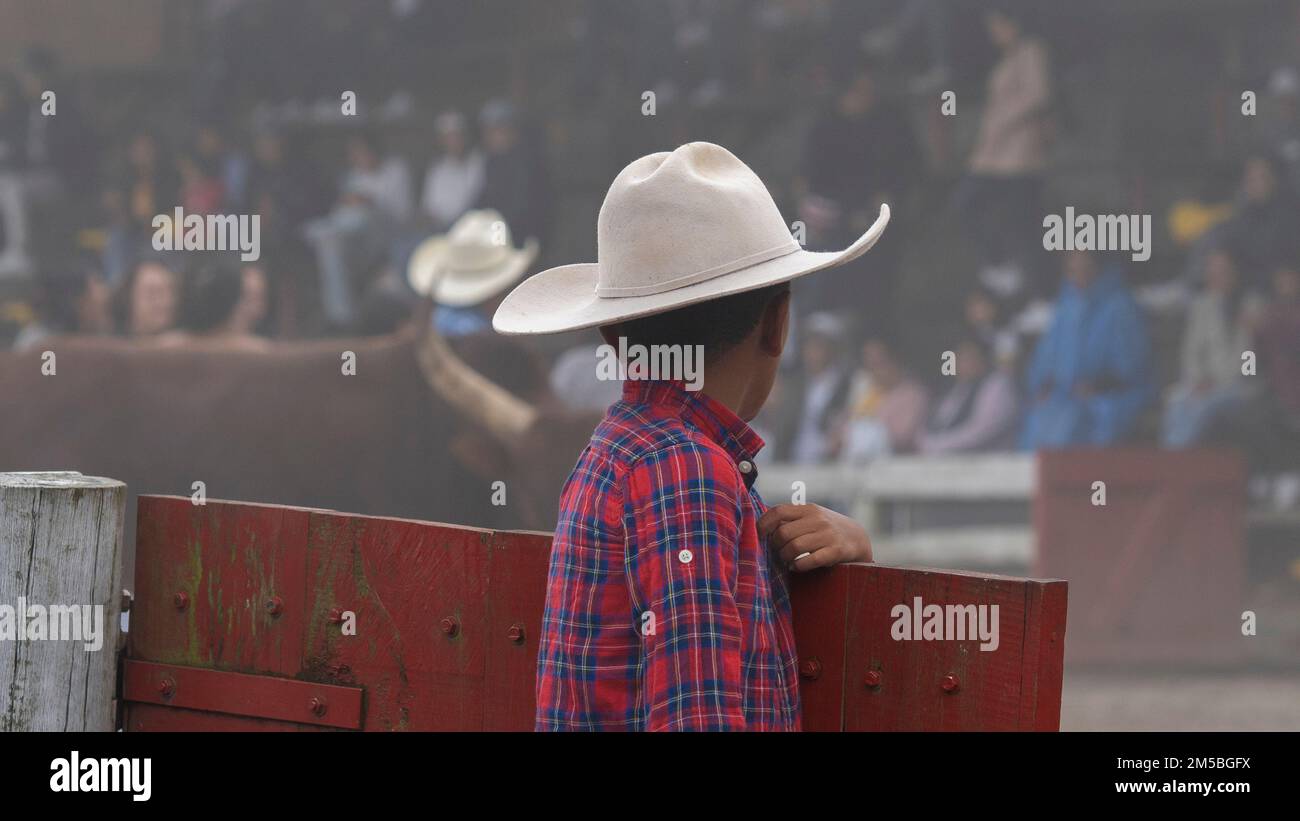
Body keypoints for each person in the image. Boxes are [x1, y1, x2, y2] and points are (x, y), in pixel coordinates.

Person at [492, 142, 889, 731]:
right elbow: (697, 715)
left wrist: (848, 551)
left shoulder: (626, 449)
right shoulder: (688, 471)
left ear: (610, 332)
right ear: (779, 323)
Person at [951, 2, 1052, 299]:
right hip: (993, 156)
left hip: (1019, 157)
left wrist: (1004, 122)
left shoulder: (1032, 51)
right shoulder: (1006, 60)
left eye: (998, 25)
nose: (994, 33)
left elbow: (1038, 94)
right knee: (969, 206)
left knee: (1023, 224)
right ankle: (999, 265)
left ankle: (1033, 291)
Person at [1021, 250, 1154, 449]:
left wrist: (1098, 386)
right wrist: (1043, 386)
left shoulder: (1119, 306)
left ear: (1098, 268)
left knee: (1070, 424)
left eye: (1085, 268)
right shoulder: (1066, 307)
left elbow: (1133, 367)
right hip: (1064, 398)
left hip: (1108, 398)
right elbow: (1046, 357)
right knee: (1036, 420)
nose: (1078, 275)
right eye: (1072, 270)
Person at [1161, 248, 1265, 448]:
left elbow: (1249, 368)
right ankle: (1171, 462)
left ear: (1237, 272)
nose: (1216, 277)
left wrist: (1250, 333)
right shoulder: (1202, 306)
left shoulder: (1254, 307)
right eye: (1212, 272)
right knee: (1176, 401)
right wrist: (1199, 379)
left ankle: (1184, 462)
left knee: (1204, 407)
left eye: (1223, 271)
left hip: (1241, 388)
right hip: (1204, 385)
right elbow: (1191, 353)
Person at [917, 335, 1019, 453]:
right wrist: (925, 441)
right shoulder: (954, 389)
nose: (964, 363)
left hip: (993, 463)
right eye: (959, 358)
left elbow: (983, 430)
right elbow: (933, 424)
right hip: (949, 462)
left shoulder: (998, 384)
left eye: (969, 357)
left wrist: (939, 445)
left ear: (983, 358)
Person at [838, 336, 930, 460]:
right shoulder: (865, 393)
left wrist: (862, 433)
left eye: (879, 363)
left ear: (895, 360)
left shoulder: (913, 394)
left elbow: (901, 437)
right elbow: (840, 429)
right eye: (869, 364)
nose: (874, 370)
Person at [12, 258, 112, 350]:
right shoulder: (35, 341)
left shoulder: (108, 344)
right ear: (78, 303)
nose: (106, 294)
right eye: (98, 283)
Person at [420, 111, 485, 232]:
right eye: (448, 137)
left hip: (472, 228)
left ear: (465, 137)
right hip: (441, 230)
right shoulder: (436, 170)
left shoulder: (479, 163)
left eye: (456, 136)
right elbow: (429, 208)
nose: (453, 142)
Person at [114, 257, 181, 339]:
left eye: (170, 292)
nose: (166, 302)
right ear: (129, 299)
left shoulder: (188, 345)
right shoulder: (108, 345)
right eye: (152, 294)